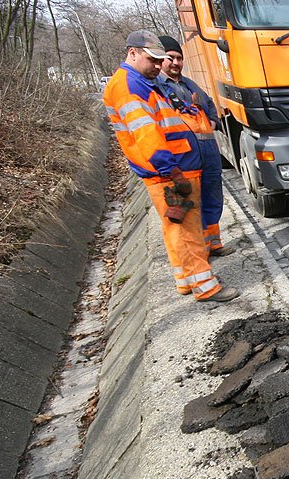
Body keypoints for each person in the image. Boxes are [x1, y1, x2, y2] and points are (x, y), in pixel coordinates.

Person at [103, 30, 239, 302]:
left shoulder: (142, 82)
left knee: (178, 229)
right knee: (188, 231)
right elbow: (147, 135)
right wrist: (173, 172)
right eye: (153, 60)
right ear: (133, 53)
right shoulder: (130, 86)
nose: (158, 66)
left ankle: (187, 281)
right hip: (170, 171)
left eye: (160, 60)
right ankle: (205, 287)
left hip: (174, 167)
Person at [157, 35, 233, 258]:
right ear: (160, 60)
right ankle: (200, 250)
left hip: (208, 153)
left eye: (179, 58)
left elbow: (209, 103)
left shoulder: (190, 84)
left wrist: (212, 121)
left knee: (213, 198)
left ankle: (214, 243)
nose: (175, 63)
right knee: (191, 205)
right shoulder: (158, 88)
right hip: (185, 158)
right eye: (170, 58)